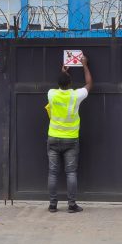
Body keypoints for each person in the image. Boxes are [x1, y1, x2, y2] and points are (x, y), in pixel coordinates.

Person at [46, 54, 92, 213]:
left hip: (53, 138)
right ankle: (71, 205)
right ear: (70, 83)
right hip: (71, 140)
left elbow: (61, 85)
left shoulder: (51, 94)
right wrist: (85, 65)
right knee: (71, 172)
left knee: (53, 173)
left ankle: (53, 205)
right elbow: (89, 84)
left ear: (58, 83)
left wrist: (63, 72)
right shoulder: (75, 95)